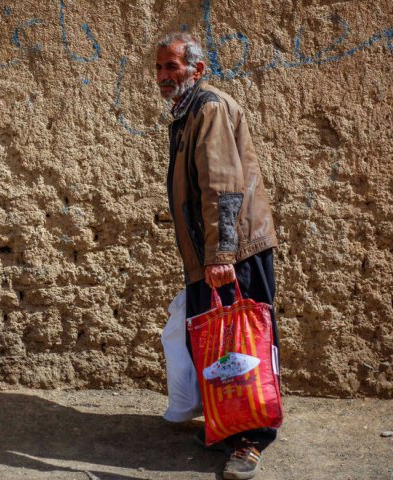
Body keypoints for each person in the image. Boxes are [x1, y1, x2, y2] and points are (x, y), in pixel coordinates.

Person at [155, 32, 280, 480]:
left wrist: (222, 255)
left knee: (244, 347)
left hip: (234, 253)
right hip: (211, 253)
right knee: (215, 344)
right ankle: (228, 427)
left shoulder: (208, 108)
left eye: (173, 67)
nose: (165, 76)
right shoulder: (186, 114)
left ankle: (250, 442)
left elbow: (223, 188)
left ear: (197, 69)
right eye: (160, 68)